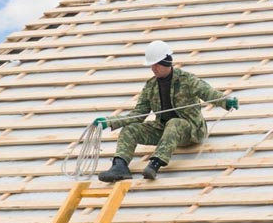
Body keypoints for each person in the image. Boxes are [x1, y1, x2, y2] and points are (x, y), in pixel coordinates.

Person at [94, 40, 239, 182]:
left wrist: (226, 101)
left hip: (190, 130)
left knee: (174, 123)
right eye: (152, 65)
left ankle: (155, 164)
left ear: (166, 62)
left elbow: (208, 93)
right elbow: (138, 114)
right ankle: (120, 166)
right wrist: (110, 121)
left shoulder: (186, 80)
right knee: (130, 129)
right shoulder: (151, 86)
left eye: (156, 64)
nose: (153, 68)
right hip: (164, 130)